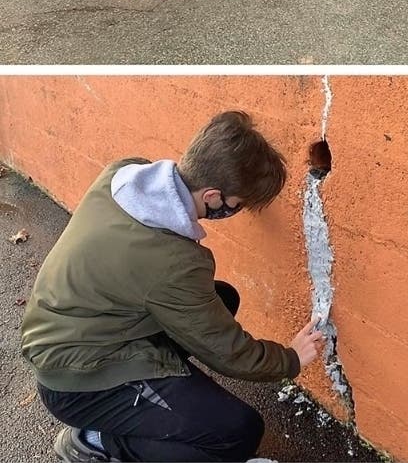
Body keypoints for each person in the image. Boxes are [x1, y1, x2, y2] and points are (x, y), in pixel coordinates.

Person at [21, 110, 325, 463]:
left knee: (221, 299)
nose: (235, 212)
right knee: (238, 433)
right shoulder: (172, 261)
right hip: (78, 378)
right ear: (212, 195)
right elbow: (227, 352)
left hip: (74, 331)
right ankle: (98, 440)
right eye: (236, 205)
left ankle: (151, 398)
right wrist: (289, 359)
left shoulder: (122, 175)